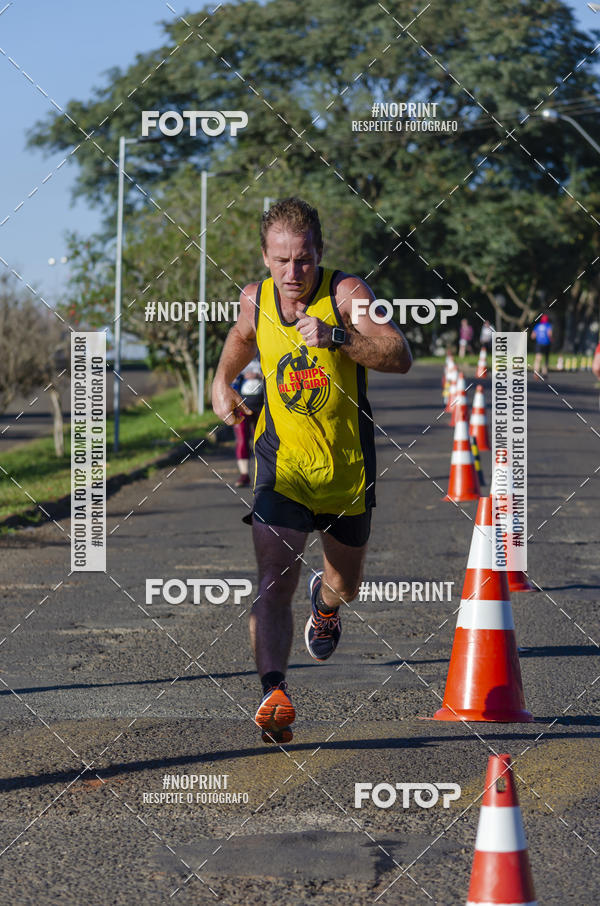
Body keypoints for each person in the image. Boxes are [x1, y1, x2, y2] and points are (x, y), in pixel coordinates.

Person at [211, 197, 411, 744]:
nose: (292, 273)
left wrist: (340, 337)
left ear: (319, 253)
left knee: (346, 583)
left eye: (302, 260)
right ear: (264, 257)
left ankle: (326, 606)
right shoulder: (255, 299)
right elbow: (239, 339)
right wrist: (220, 382)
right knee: (273, 580)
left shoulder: (348, 296)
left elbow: (399, 352)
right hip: (284, 467)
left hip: (346, 470)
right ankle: (273, 690)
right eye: (280, 261)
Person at [231, 358, 263, 487]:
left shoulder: (264, 349)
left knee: (261, 439)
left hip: (262, 403)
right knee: (242, 439)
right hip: (242, 404)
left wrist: (257, 375)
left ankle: (262, 474)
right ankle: (244, 475)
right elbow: (230, 378)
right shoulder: (237, 352)